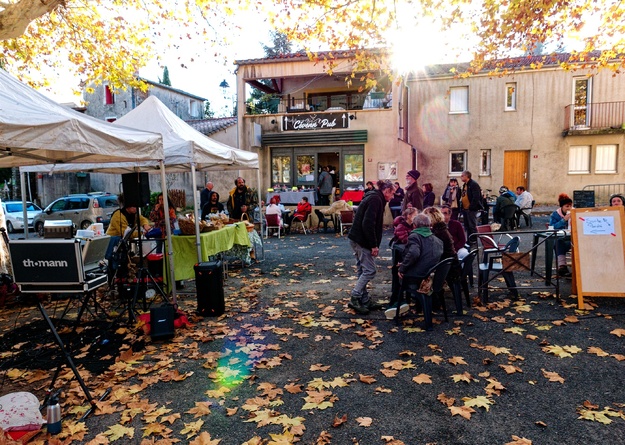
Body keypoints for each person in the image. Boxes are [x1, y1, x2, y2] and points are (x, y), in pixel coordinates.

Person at [347, 179, 395, 315]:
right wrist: (373, 245)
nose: (392, 197)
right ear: (386, 191)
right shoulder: (376, 200)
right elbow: (368, 223)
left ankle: (364, 299)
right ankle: (355, 297)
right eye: (392, 194)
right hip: (362, 240)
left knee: (362, 270)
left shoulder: (374, 197)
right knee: (370, 270)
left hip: (356, 237)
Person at [394, 213, 444, 320]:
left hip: (419, 277)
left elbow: (414, 253)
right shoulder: (437, 240)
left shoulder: (414, 236)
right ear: (429, 225)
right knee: (403, 268)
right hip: (433, 276)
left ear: (415, 226)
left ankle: (395, 303)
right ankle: (420, 306)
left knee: (396, 272)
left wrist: (402, 267)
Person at [386, 207, 418, 318]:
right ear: (409, 216)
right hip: (400, 255)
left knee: (400, 275)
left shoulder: (412, 226)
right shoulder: (401, 226)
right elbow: (405, 240)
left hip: (406, 254)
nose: (416, 216)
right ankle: (396, 299)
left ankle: (401, 298)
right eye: (415, 214)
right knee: (398, 275)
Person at [549, 193, 573, 277]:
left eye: (570, 206)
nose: (569, 208)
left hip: (573, 238)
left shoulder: (575, 212)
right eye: (567, 206)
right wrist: (563, 220)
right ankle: (562, 266)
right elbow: (552, 227)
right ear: (562, 207)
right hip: (562, 238)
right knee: (558, 243)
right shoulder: (555, 215)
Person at [460, 170, 483, 244]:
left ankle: (473, 240)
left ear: (467, 176)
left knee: (472, 225)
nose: (461, 177)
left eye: (462, 175)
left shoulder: (473, 184)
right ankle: (469, 240)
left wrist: (471, 207)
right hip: (465, 208)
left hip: (471, 209)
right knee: (467, 226)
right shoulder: (465, 185)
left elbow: (476, 197)